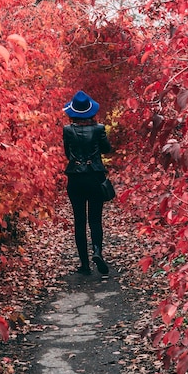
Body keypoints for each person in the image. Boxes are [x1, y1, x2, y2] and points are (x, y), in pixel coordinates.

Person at [63, 90, 112, 276]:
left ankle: (84, 265)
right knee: (95, 219)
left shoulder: (67, 130)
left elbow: (67, 153)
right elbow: (107, 150)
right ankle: (97, 251)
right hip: (95, 177)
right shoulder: (99, 129)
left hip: (75, 178)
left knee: (79, 221)